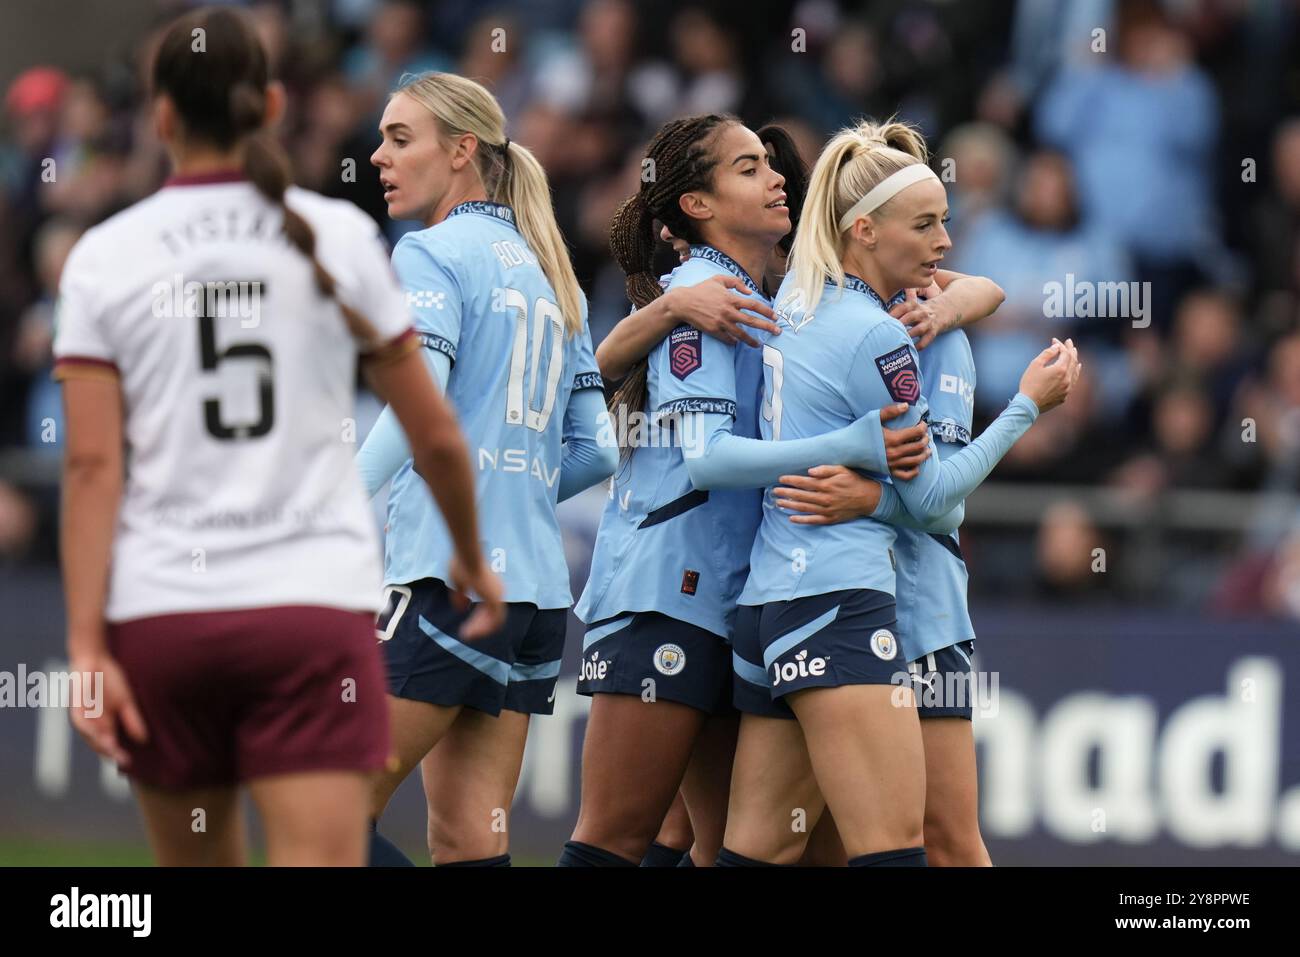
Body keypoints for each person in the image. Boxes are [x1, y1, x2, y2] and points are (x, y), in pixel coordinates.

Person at [54, 7, 498, 867]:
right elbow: (435, 436)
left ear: (162, 116)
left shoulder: (104, 255)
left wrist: (82, 644)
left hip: (164, 616)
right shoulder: (339, 235)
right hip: (310, 614)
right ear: (271, 105)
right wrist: (474, 559)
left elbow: (90, 465)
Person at [560, 114, 921, 867]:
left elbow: (956, 279)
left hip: (733, 599)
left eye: (771, 164)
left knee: (721, 845)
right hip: (665, 591)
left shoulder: (771, 293)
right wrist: (850, 448)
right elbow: (706, 461)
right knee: (615, 841)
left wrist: (947, 303)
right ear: (697, 204)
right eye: (750, 168)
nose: (776, 177)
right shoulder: (702, 293)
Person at [720, 118, 1080, 866]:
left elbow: (979, 291)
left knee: (789, 850)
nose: (945, 241)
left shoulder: (836, 307)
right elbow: (938, 500)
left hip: (815, 599)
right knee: (896, 849)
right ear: (867, 228)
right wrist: (1027, 406)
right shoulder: (893, 330)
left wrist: (870, 497)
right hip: (859, 605)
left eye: (943, 219)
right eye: (927, 222)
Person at [357, 72, 617, 866]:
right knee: (470, 836)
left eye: (401, 138)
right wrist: (512, 488)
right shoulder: (551, 273)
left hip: (448, 581)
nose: (377, 156)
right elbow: (598, 450)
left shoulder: (429, 254)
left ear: (462, 149)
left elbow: (418, 411)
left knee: (326, 811)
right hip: (534, 595)